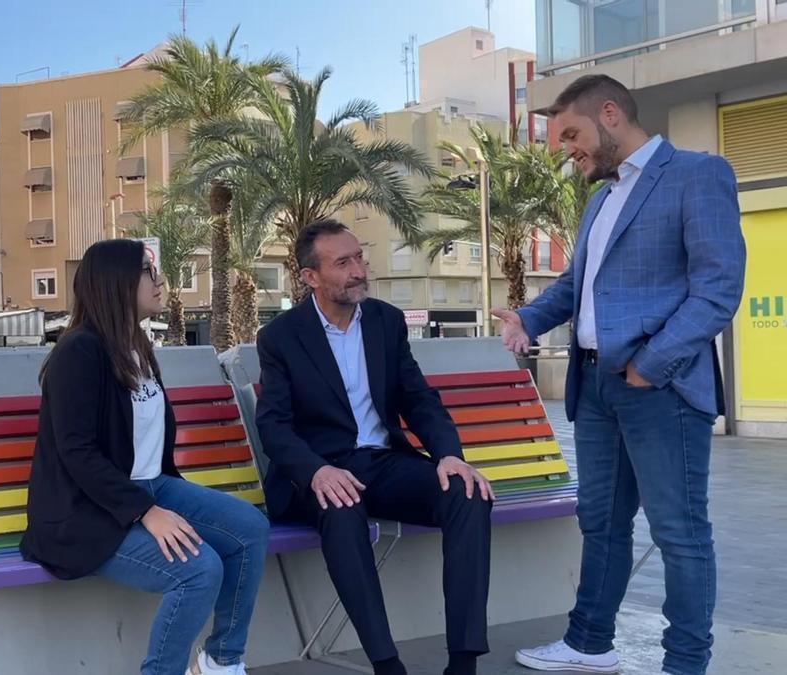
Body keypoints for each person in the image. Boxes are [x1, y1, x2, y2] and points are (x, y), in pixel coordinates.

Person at [496, 75, 745, 675]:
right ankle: (589, 645)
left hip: (658, 388)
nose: (568, 150)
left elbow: (718, 289)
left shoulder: (697, 174)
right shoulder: (600, 199)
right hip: (596, 386)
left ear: (611, 114)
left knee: (679, 532)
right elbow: (578, 288)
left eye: (572, 135)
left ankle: (684, 663)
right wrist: (527, 319)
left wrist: (649, 366)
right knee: (600, 523)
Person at [256, 220, 495, 675]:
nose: (358, 270)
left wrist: (449, 455)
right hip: (322, 470)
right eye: (342, 263)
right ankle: (387, 664)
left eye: (359, 258)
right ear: (310, 277)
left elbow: (418, 398)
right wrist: (316, 472)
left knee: (467, 494)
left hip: (384, 463)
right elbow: (275, 426)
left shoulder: (386, 321)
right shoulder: (282, 337)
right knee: (343, 513)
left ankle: (463, 662)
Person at [21, 239, 269, 675]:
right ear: (116, 282)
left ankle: (220, 662)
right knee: (199, 570)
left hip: (151, 488)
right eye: (148, 271)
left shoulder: (135, 347)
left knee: (250, 528)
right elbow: (76, 451)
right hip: (85, 511)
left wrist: (152, 502)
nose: (160, 280)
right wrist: (145, 512)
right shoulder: (78, 353)